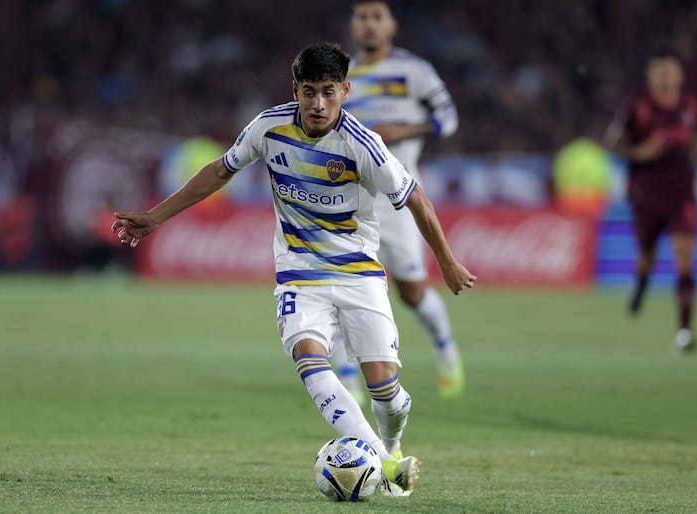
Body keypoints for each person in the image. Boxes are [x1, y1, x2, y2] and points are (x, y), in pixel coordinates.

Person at [112, 43, 476, 496]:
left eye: (328, 92)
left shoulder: (364, 145)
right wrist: (155, 217)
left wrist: (446, 261)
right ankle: (385, 466)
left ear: (344, 91)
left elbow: (416, 198)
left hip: (359, 274)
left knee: (387, 392)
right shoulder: (269, 128)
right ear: (295, 90)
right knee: (310, 358)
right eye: (309, 92)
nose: (318, 103)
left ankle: (392, 446)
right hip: (299, 274)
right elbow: (221, 171)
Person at [332, 0, 464, 404]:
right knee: (340, 289)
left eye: (378, 17)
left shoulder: (415, 71)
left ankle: (446, 348)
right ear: (353, 27)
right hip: (348, 198)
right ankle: (348, 384)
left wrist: (404, 130)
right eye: (362, 18)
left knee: (411, 292)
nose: (370, 25)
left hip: (398, 196)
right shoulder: (341, 75)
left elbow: (449, 117)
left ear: (392, 25)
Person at [606, 48, 697, 353]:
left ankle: (684, 330)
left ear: (680, 75)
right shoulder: (636, 107)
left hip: (682, 194)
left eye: (670, 70)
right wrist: (639, 153)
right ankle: (641, 283)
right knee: (647, 255)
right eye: (660, 70)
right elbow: (612, 143)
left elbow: (694, 135)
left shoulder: (690, 106)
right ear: (650, 76)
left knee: (684, 257)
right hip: (647, 196)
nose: (666, 76)